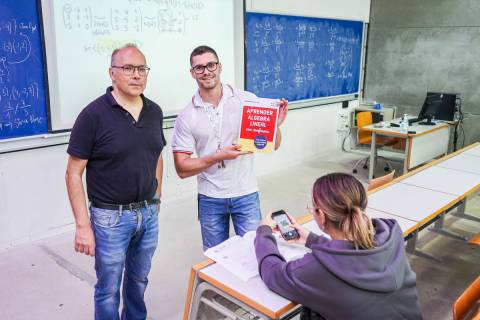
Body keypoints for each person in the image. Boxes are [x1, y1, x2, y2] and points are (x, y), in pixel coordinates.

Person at [65, 43, 166, 320]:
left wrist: (157, 197)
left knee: (138, 280)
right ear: (112, 73)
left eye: (142, 69)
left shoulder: (154, 111)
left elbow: (157, 154)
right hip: (110, 218)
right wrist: (83, 226)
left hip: (148, 213)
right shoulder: (92, 115)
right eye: (128, 68)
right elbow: (74, 172)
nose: (136, 75)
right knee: (108, 288)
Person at [255, 173, 422, 320]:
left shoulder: (316, 268)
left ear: (321, 216)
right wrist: (312, 240)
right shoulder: (390, 234)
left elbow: (273, 274)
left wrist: (264, 232)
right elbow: (353, 257)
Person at [171, 45, 288, 250]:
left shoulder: (247, 100)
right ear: (192, 73)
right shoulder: (186, 116)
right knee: (216, 258)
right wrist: (218, 156)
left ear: (220, 66)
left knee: (255, 253)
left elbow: (274, 145)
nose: (206, 71)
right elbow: (182, 169)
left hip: (246, 192)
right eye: (199, 68)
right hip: (210, 197)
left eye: (211, 65)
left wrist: (274, 126)